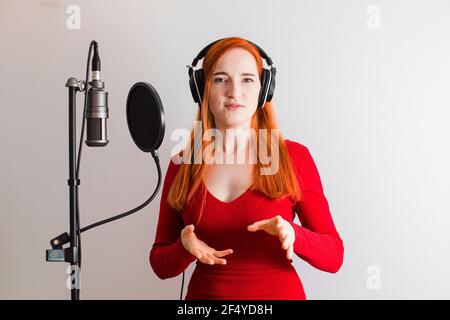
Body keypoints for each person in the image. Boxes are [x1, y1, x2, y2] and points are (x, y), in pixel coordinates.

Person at [149, 37, 344, 300]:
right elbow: (160, 264)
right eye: (220, 79)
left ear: (264, 91)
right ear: (201, 89)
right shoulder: (183, 164)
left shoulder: (294, 157)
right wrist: (184, 247)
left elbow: (334, 257)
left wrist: (294, 234)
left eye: (247, 80)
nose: (234, 92)